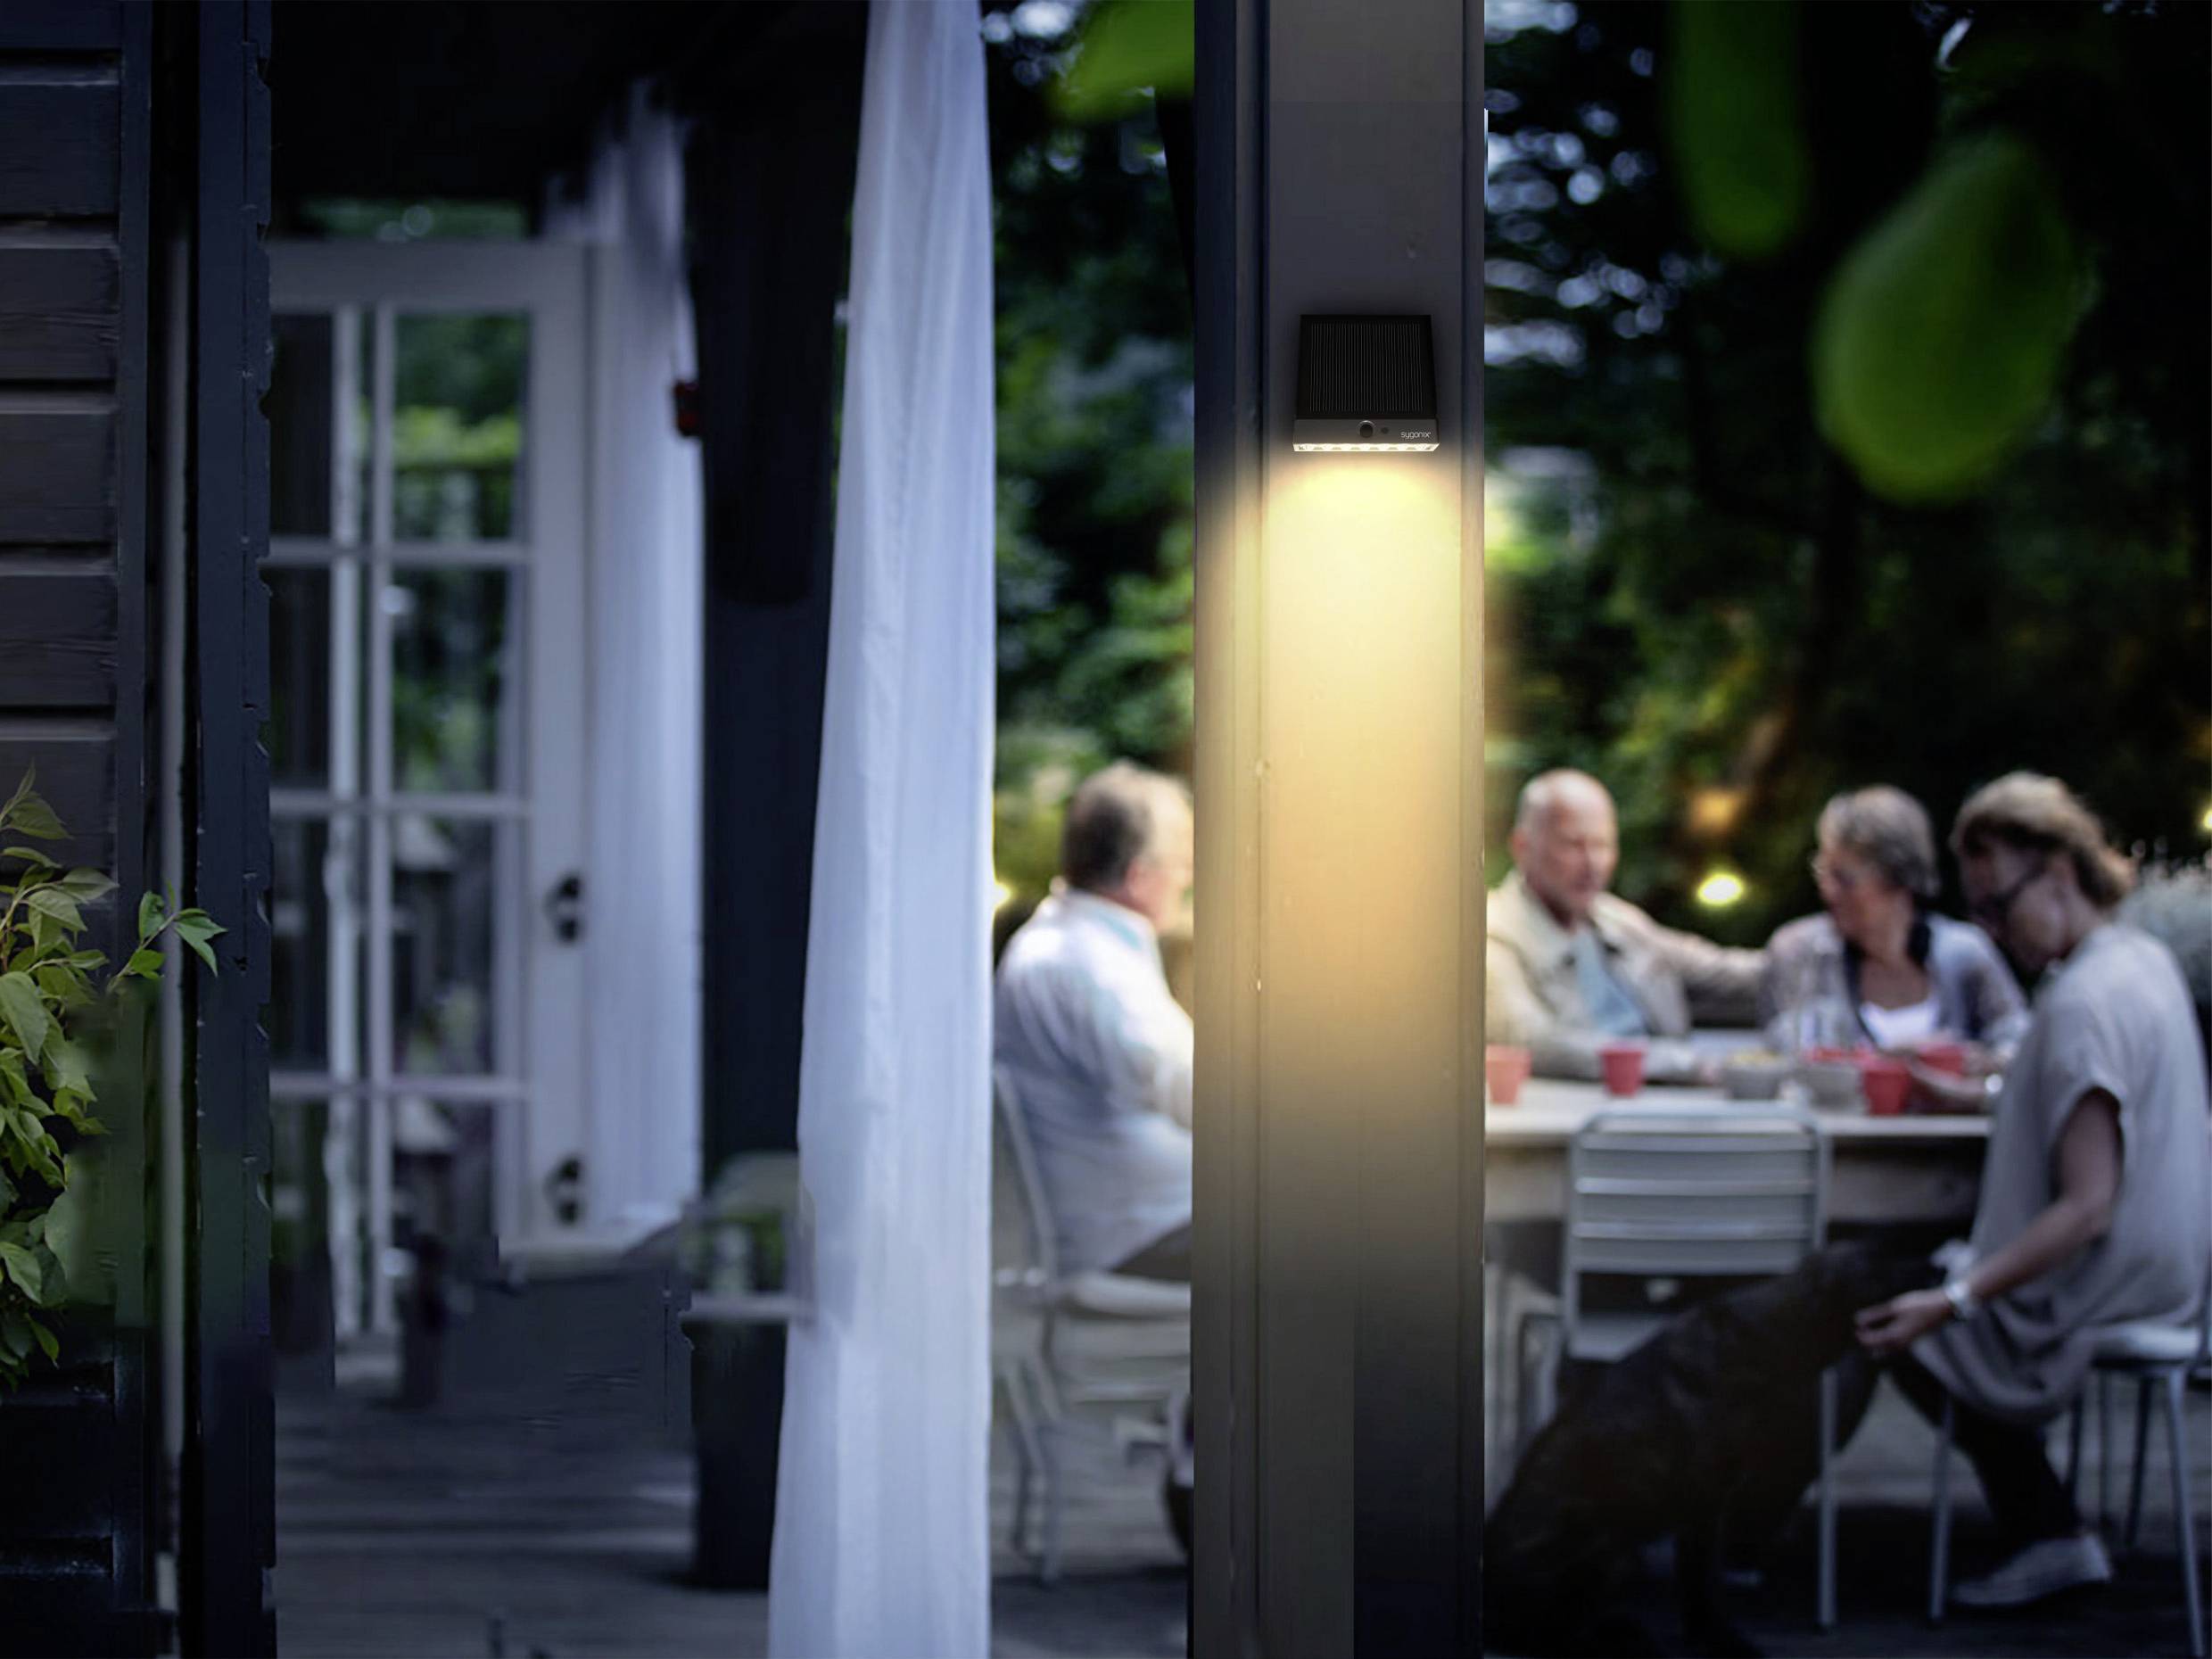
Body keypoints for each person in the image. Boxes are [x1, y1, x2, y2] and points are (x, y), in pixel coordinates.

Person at [1856, 772, 2212, 1608]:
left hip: (2106, 1279)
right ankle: (2048, 1519)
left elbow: (2085, 1206)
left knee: (1891, 1307)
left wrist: (1958, 1298)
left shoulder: (2082, 1003)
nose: (1991, 927)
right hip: (2175, 1268)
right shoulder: (2139, 960)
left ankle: (2049, 1533)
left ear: (2058, 872)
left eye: (1998, 902)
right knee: (1910, 1283)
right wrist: (1990, 1087)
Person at [995, 762, 1194, 1282]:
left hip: (1137, 1227)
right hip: (1138, 1236)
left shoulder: (1068, 946)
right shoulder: (1089, 964)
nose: (1187, 878)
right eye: (1181, 862)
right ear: (1139, 876)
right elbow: (1189, 1088)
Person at [1487, 769, 1764, 1082]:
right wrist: (1678, 1065)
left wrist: (1806, 951)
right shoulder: (1493, 935)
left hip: (1665, 1101)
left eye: (1602, 845)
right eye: (1573, 845)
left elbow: (1721, 971)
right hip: (1576, 1113)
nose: (1592, 864)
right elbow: (1532, 1042)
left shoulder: (1617, 921)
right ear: (1522, 847)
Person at [1762, 786, 2029, 1102]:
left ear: (1899, 879)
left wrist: (1976, 1063)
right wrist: (1886, 1059)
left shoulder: (1965, 952)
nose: (1828, 892)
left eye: (1845, 879)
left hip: (1955, 1145)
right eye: (1823, 873)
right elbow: (1787, 1058)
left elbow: (2023, 1047)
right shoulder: (1801, 952)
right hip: (1845, 1145)